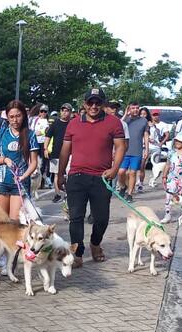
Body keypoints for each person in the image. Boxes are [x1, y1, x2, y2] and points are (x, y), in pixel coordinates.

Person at [56, 88, 126, 268]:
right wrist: (60, 173)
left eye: (98, 102)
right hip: (77, 176)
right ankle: (77, 253)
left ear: (103, 104)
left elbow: (120, 147)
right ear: (84, 104)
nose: (94, 106)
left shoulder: (113, 122)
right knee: (76, 217)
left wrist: (114, 168)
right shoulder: (73, 123)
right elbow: (65, 150)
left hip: (102, 177)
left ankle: (95, 244)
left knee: (101, 218)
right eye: (90, 102)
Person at [0, 100, 40, 221]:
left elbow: (33, 162)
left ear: (23, 116)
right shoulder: (1, 134)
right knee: (1, 221)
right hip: (1, 182)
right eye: (11, 117)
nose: (15, 120)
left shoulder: (30, 135)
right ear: (7, 117)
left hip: (20, 183)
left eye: (18, 116)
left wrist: (24, 176)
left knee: (16, 222)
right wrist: (5, 159)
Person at [161, 131, 182, 223]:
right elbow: (167, 165)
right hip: (172, 179)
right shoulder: (171, 152)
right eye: (176, 140)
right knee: (169, 197)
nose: (177, 142)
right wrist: (164, 176)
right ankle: (167, 215)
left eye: (180, 141)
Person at [117, 102, 149, 202]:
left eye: (137, 108)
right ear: (129, 109)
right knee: (121, 172)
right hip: (124, 150)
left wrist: (146, 149)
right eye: (133, 108)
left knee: (133, 172)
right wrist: (126, 114)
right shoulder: (125, 120)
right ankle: (123, 187)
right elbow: (117, 125)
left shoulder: (143, 121)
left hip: (137, 151)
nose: (135, 110)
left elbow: (146, 135)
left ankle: (130, 194)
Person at [44, 103, 73, 203]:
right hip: (56, 153)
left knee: (70, 174)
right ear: (60, 112)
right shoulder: (55, 123)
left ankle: (68, 194)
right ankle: (58, 194)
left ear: (70, 112)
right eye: (63, 110)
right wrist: (45, 149)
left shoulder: (72, 124)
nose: (65, 112)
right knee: (57, 174)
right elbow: (48, 136)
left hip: (70, 154)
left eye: (67, 110)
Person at [31, 105, 52, 187]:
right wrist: (34, 133)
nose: (43, 113)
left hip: (44, 143)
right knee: (35, 161)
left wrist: (42, 132)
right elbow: (31, 130)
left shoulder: (48, 121)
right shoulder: (35, 120)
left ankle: (42, 180)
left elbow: (49, 131)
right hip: (35, 142)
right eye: (41, 111)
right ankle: (36, 179)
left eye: (45, 111)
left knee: (43, 163)